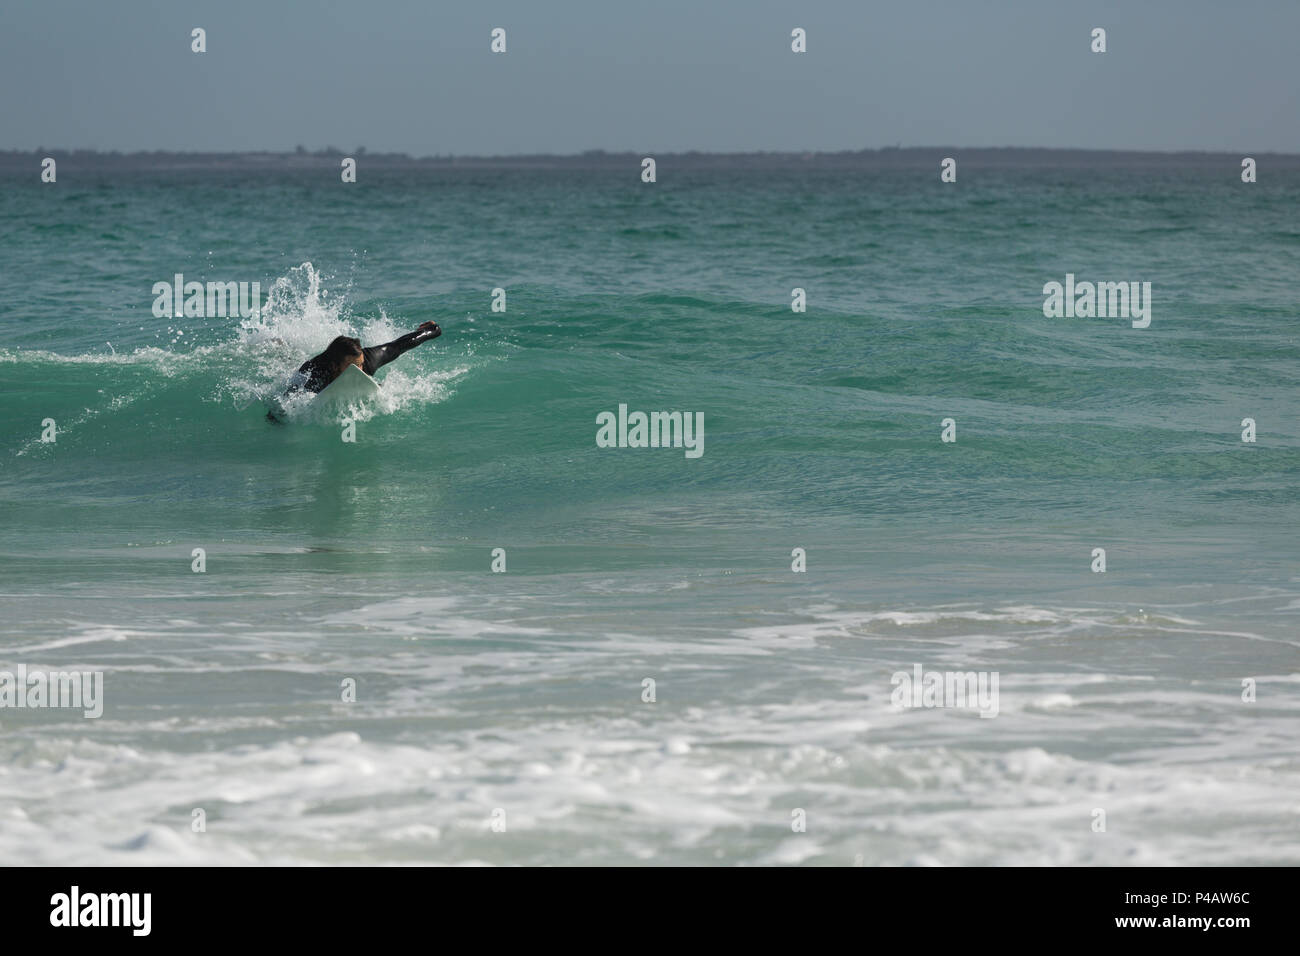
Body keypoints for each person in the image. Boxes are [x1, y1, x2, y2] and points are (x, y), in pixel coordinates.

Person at [267, 321, 441, 421]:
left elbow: (400, 345)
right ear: (336, 366)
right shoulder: (315, 373)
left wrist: (430, 330)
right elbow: (285, 404)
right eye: (353, 366)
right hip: (315, 373)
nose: (360, 370)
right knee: (289, 364)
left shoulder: (369, 361)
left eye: (360, 365)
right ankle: (279, 347)